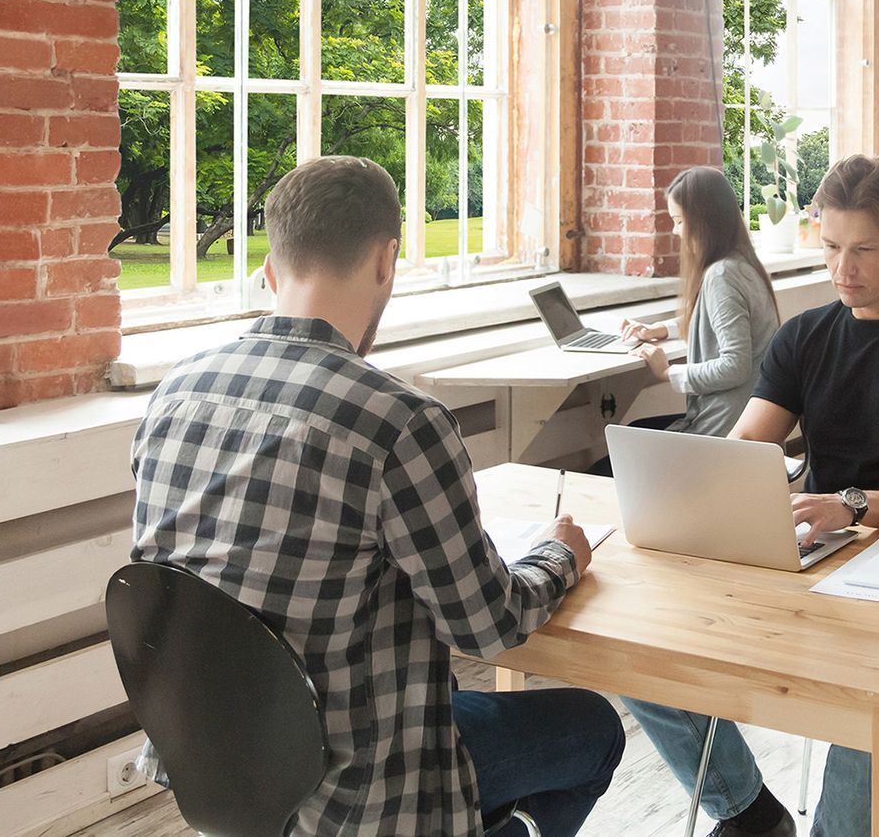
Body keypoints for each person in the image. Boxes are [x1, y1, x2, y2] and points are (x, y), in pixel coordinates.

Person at [128, 157, 623, 836]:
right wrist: (559, 556)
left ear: (270, 270)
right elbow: (488, 626)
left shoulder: (173, 396)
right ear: (387, 261)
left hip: (216, 767)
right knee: (593, 727)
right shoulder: (397, 421)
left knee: (437, 687)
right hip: (360, 792)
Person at [624, 154, 879, 837]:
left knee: (871, 706)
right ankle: (748, 816)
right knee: (636, 644)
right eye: (831, 247)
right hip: (832, 545)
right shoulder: (806, 337)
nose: (842, 269)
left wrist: (853, 505)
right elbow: (748, 442)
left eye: (863, 250)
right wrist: (685, 485)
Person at [616, 166, 781, 438]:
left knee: (607, 460)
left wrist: (668, 372)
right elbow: (720, 317)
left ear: (705, 221)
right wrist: (661, 328)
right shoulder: (742, 264)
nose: (675, 231)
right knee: (632, 433)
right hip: (741, 423)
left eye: (679, 221)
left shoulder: (722, 274)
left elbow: (735, 366)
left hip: (722, 431)